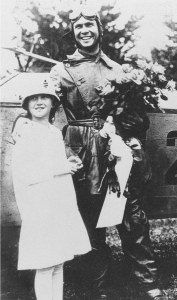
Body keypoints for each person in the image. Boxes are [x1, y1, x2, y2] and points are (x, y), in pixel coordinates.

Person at [50, 5, 168, 300]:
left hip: (117, 150)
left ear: (99, 29)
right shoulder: (59, 70)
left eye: (90, 25)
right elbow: (49, 114)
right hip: (82, 150)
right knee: (90, 219)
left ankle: (148, 283)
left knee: (132, 217)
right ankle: (99, 288)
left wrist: (132, 122)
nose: (85, 31)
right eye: (79, 27)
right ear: (73, 34)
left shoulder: (120, 70)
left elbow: (141, 120)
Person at [11, 77, 92, 300]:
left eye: (44, 98)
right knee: (45, 264)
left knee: (59, 261)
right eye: (33, 98)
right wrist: (61, 167)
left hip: (59, 205)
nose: (39, 102)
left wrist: (70, 165)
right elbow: (25, 173)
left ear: (53, 103)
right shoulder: (25, 131)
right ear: (26, 105)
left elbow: (57, 166)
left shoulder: (54, 132)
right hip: (40, 207)